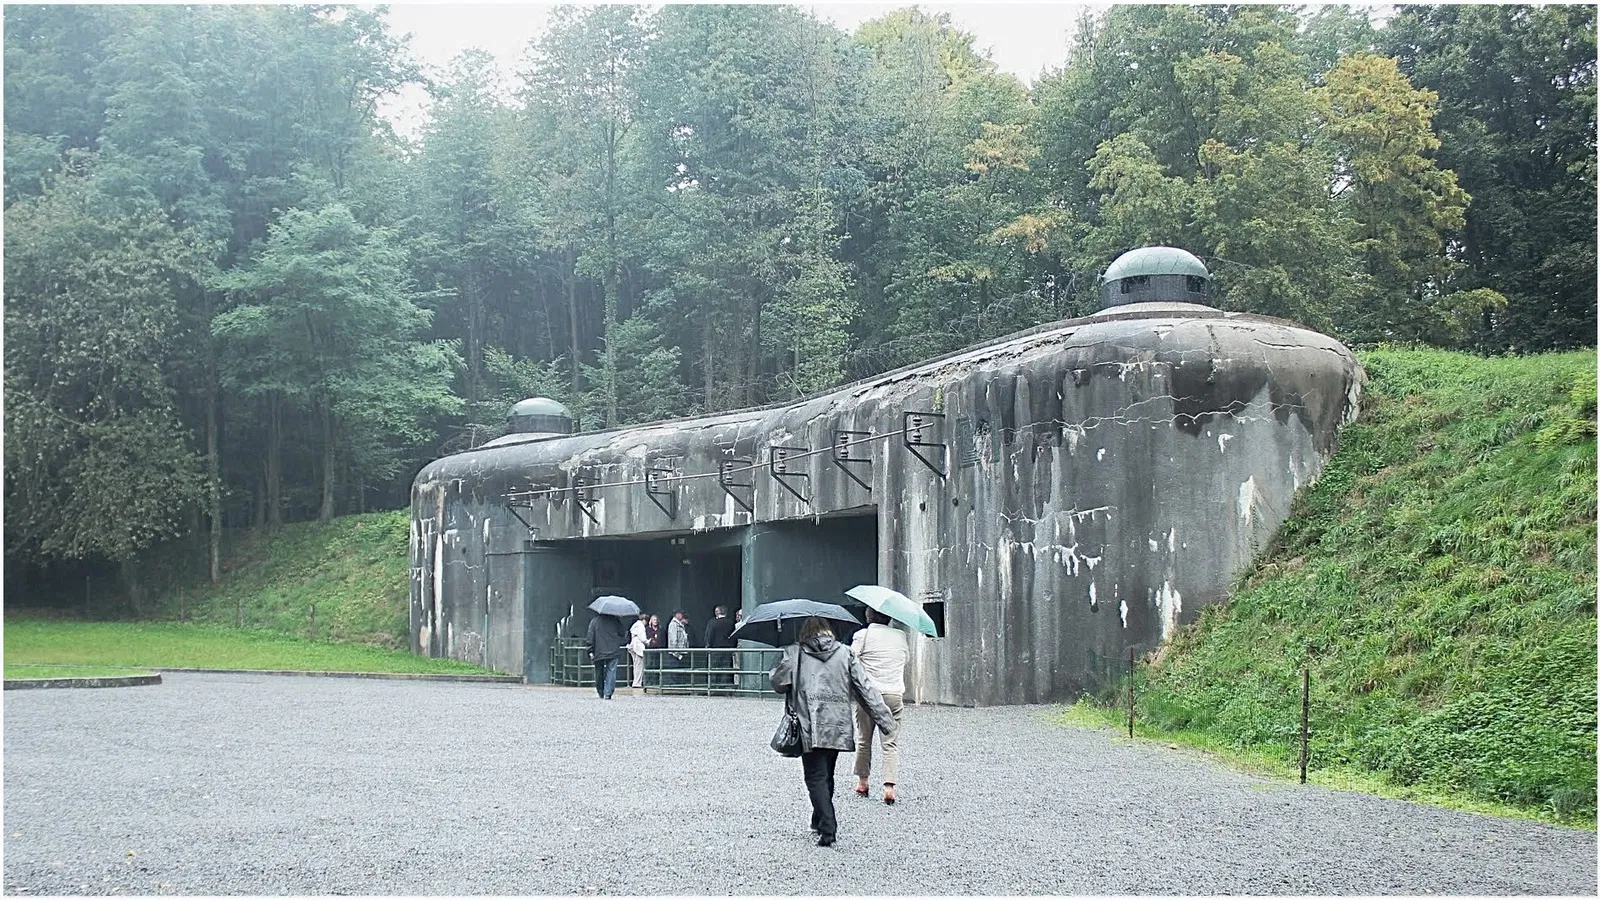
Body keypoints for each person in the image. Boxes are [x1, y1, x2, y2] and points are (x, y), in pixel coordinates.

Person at [770, 616, 895, 847]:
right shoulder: (845, 653)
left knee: (815, 776)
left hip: (809, 722)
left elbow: (777, 683)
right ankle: (818, 819)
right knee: (827, 773)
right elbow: (865, 689)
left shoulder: (796, 653)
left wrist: (786, 659)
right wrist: (885, 720)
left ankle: (828, 827)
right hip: (837, 723)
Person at [851, 608, 910, 804]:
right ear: (889, 617)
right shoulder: (900, 636)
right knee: (890, 742)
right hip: (894, 694)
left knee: (863, 740)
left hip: (869, 695)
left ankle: (863, 781)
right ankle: (889, 787)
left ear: (868, 617)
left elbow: (852, 660)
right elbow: (905, 659)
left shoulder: (862, 635)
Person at [585, 612, 629, 700]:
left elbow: (590, 636)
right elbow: (622, 632)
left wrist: (590, 650)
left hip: (598, 650)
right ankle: (608, 693)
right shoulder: (615, 620)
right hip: (613, 650)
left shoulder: (595, 621)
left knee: (599, 672)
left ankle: (600, 691)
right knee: (611, 672)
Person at [704, 605, 736, 690]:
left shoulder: (712, 622)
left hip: (715, 649)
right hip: (727, 649)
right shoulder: (731, 623)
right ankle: (723, 687)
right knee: (725, 669)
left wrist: (708, 646)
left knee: (714, 668)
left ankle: (713, 687)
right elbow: (733, 636)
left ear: (718, 612)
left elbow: (709, 636)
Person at [667, 610, 691, 687]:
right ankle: (675, 687)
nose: (682, 616)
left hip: (682, 652)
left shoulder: (680, 624)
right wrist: (676, 653)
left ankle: (679, 686)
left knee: (680, 672)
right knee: (675, 672)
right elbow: (673, 640)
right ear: (676, 615)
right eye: (681, 614)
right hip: (676, 654)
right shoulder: (673, 625)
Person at [628, 613, 649, 689]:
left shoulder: (634, 625)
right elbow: (642, 638)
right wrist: (648, 641)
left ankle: (636, 681)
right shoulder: (640, 626)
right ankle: (637, 682)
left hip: (632, 646)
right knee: (639, 666)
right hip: (638, 647)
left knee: (636, 665)